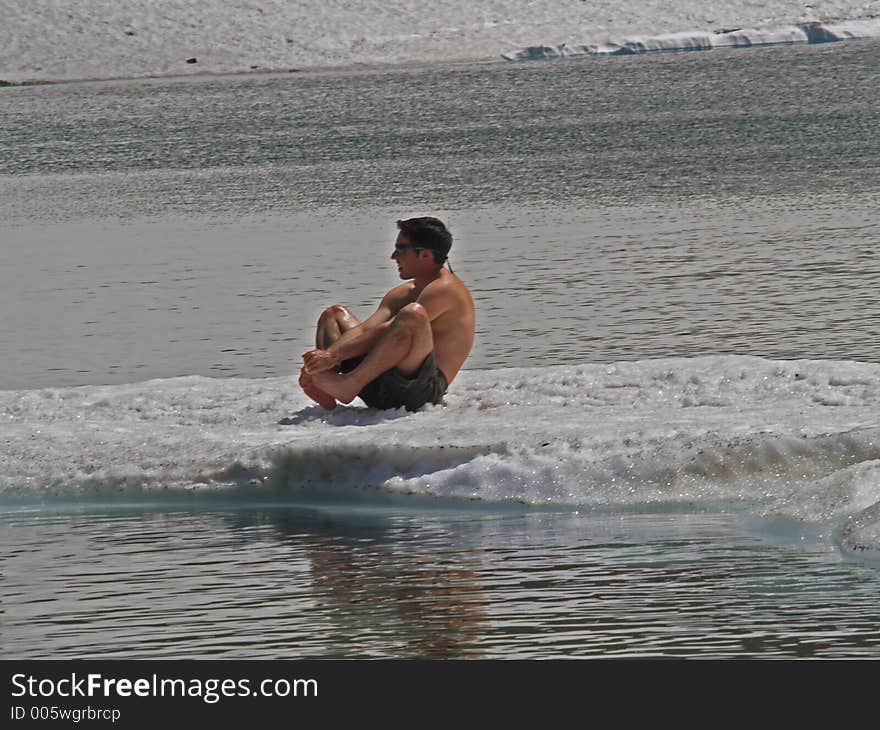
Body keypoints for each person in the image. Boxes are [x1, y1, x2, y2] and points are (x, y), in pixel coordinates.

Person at [299, 216, 475, 412]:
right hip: (383, 382)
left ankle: (349, 384)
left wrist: (333, 354)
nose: (393, 256)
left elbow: (389, 329)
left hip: (420, 393)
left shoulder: (446, 289)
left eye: (401, 249)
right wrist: (318, 363)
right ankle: (325, 383)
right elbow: (366, 329)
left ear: (425, 255)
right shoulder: (402, 293)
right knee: (333, 315)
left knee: (413, 315)